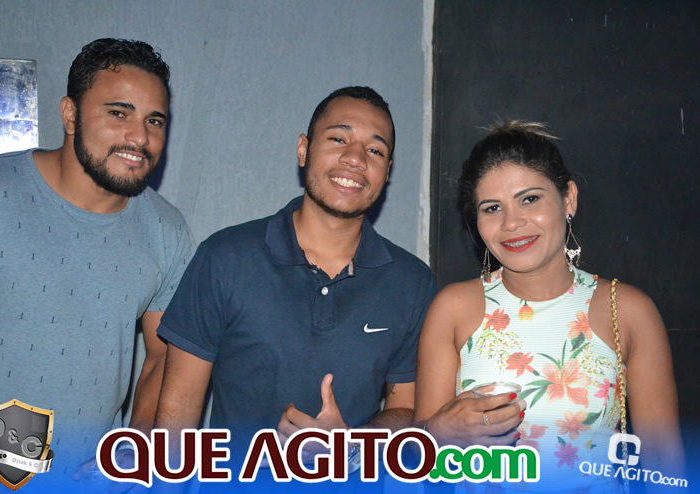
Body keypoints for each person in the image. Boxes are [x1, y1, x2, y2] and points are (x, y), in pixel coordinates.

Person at [154, 86, 436, 487]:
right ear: (303, 149)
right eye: (338, 139)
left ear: (386, 171)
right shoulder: (225, 258)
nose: (355, 159)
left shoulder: (412, 282)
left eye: (374, 150)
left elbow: (408, 409)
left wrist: (353, 444)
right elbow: (177, 410)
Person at [0, 38, 194, 491]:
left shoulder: (168, 231)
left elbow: (162, 356)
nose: (140, 138)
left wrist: (134, 451)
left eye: (154, 120)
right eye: (118, 113)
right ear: (70, 115)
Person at [414, 121, 684, 491]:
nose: (512, 222)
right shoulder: (452, 310)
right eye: (492, 208)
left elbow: (664, 464)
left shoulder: (627, 310)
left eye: (529, 199)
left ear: (568, 199)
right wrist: (437, 433)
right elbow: (416, 460)